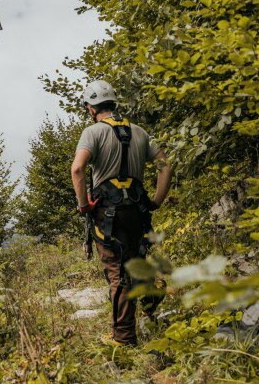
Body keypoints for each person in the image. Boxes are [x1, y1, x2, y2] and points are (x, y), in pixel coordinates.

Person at [70, 80, 174, 347]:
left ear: (91, 108)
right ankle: (151, 292)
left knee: (118, 272)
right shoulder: (140, 132)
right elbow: (165, 166)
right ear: (113, 103)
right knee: (135, 259)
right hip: (138, 211)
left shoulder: (93, 132)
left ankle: (123, 339)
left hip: (108, 214)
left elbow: (78, 170)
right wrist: (156, 200)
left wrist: (83, 205)